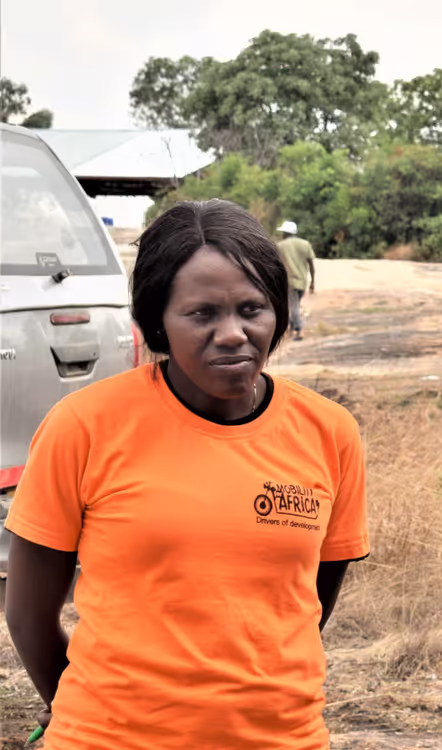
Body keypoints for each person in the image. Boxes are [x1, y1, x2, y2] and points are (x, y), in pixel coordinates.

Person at [3, 199, 370, 749]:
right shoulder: (83, 426)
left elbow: (305, 607)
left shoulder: (329, 432)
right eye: (202, 314)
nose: (233, 333)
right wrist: (86, 712)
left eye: (252, 309)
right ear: (158, 321)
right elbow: (28, 614)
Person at [276, 219, 315, 341]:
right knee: (295, 304)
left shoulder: (280, 246)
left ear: (286, 233)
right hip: (302, 282)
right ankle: (291, 329)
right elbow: (311, 264)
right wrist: (313, 282)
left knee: (294, 307)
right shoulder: (305, 244)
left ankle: (300, 329)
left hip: (289, 282)